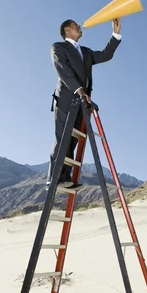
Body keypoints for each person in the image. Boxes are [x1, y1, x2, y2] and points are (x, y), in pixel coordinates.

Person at [47, 18, 122, 189]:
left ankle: (65, 178)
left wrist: (115, 34)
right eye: (75, 25)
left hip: (82, 102)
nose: (79, 27)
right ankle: (54, 178)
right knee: (62, 138)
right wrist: (79, 89)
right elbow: (62, 69)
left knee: (73, 141)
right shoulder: (58, 47)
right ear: (67, 30)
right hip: (66, 98)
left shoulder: (86, 52)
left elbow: (105, 55)